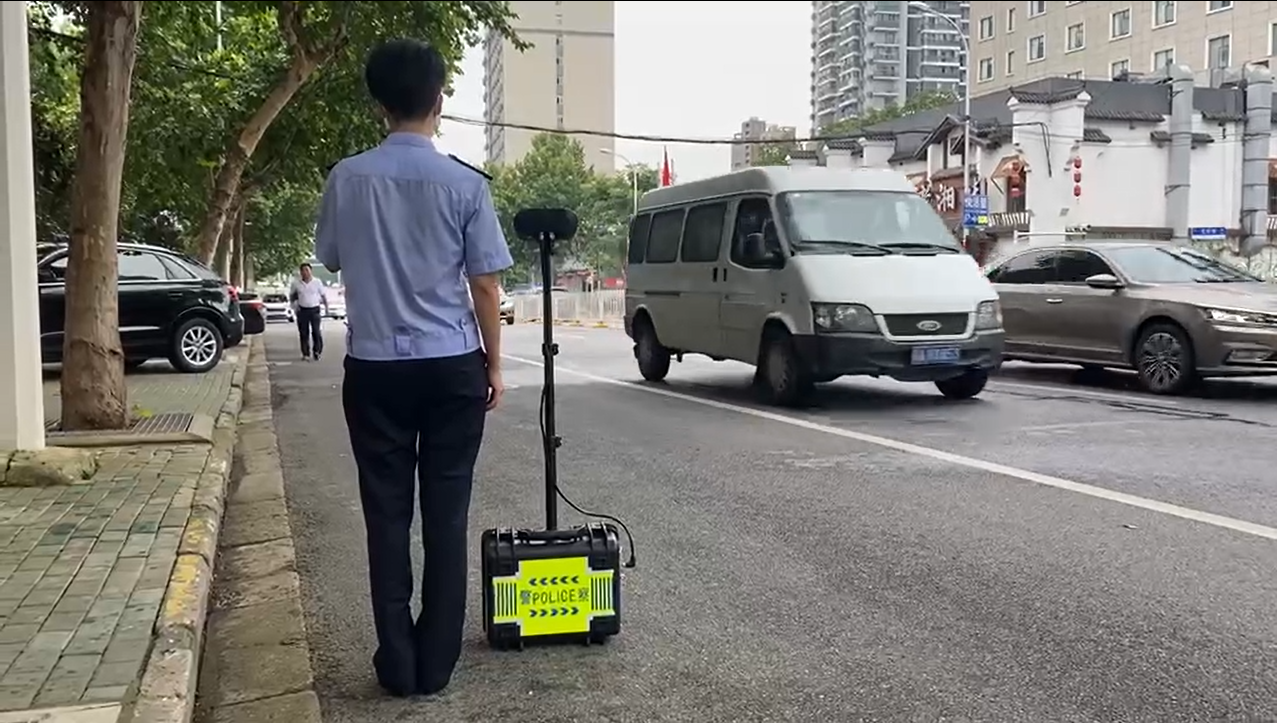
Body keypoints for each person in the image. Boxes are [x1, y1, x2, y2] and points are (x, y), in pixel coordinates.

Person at [313, 38, 512, 698]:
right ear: (439, 100)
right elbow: (485, 286)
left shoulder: (346, 178)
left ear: (379, 105)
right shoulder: (465, 183)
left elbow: (333, 258)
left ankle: (395, 662)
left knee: (387, 515)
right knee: (447, 514)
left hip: (374, 369)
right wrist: (495, 367)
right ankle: (436, 664)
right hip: (452, 364)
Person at [289, 263, 328, 361]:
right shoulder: (296, 283)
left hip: (314, 309)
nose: (305, 272)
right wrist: (294, 307)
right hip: (302, 310)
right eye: (303, 270)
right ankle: (305, 353)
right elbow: (292, 297)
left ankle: (317, 351)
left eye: (307, 270)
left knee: (316, 332)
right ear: (300, 272)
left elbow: (323, 295)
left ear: (311, 271)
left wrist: (327, 307)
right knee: (303, 333)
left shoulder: (317, 282)